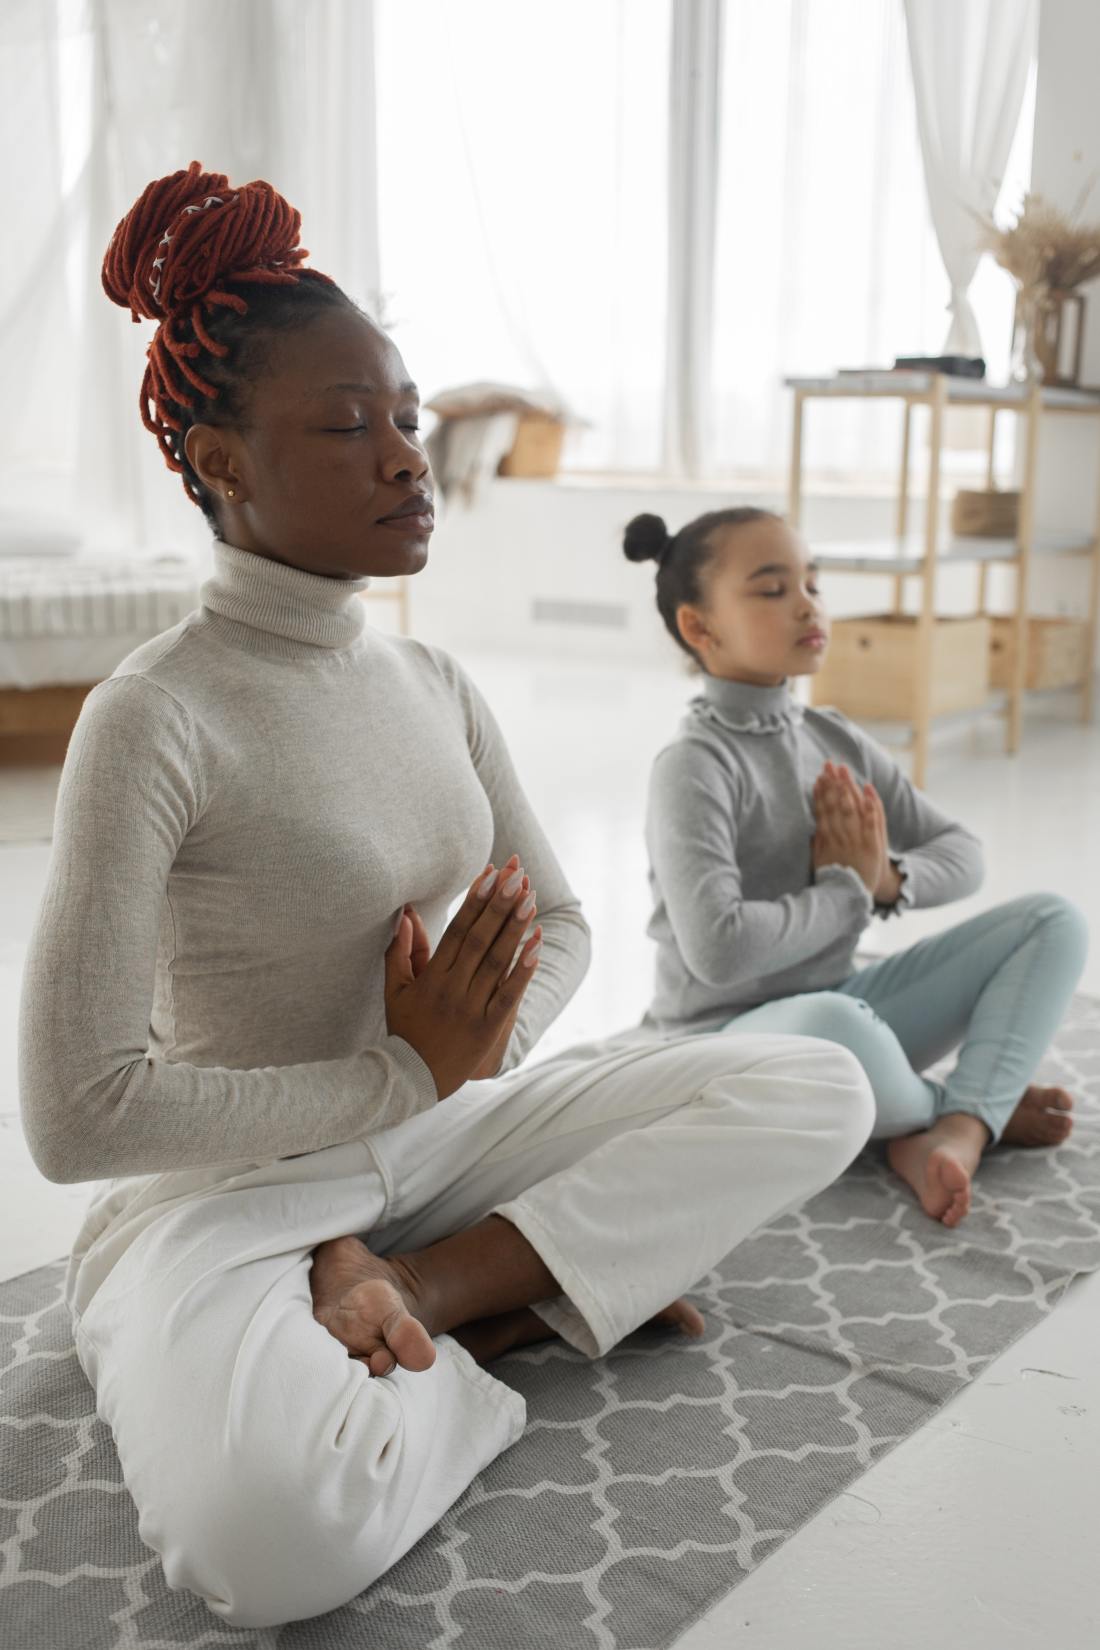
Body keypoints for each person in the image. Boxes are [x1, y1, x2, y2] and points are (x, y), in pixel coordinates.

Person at [17, 165, 875, 1630]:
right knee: (267, 1539)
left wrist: (443, 1078)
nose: (408, 459)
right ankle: (515, 1297)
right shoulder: (152, 716)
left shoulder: (429, 680)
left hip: (434, 1144)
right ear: (222, 461)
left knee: (821, 1085)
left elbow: (567, 923)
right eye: (348, 428)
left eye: (405, 417)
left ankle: (423, 1289)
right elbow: (76, 1115)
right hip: (222, 1196)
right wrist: (395, 1072)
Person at [625, 505, 1088, 1230]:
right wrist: (845, 892)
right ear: (700, 628)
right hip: (723, 1044)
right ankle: (968, 1109)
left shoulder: (831, 734)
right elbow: (717, 951)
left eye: (812, 582)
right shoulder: (693, 767)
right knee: (842, 1024)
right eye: (773, 590)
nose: (807, 603)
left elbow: (963, 855)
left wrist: (886, 882)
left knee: (1051, 921)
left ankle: (950, 1127)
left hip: (845, 1009)